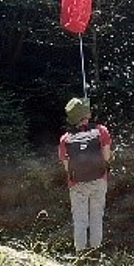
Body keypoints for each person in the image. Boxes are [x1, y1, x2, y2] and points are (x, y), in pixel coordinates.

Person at [58, 97, 112, 254]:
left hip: (77, 185)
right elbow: (107, 157)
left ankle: (80, 256)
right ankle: (95, 254)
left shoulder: (65, 139)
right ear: (86, 114)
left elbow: (67, 167)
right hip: (99, 179)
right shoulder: (101, 131)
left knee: (80, 221)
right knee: (96, 218)